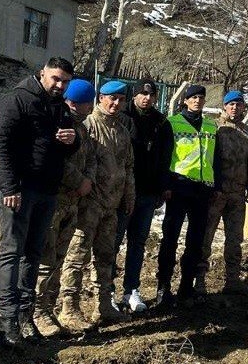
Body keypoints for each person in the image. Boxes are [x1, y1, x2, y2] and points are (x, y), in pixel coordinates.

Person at [0, 57, 78, 346]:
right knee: (11, 253)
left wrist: (71, 140)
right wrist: (9, 186)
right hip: (20, 191)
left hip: (47, 192)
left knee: (33, 254)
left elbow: (70, 147)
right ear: (42, 74)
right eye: (55, 78)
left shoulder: (60, 107)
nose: (60, 85)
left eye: (65, 81)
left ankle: (26, 316)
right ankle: (7, 320)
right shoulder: (17, 100)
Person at [58, 80, 135, 330]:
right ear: (100, 99)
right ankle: (69, 307)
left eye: (121, 99)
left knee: (106, 257)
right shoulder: (89, 126)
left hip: (111, 206)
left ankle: (103, 304)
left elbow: (128, 167)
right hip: (88, 205)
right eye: (110, 98)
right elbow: (81, 162)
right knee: (77, 256)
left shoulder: (122, 131)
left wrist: (129, 196)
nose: (115, 103)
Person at [34, 78, 97, 337]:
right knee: (45, 261)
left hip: (73, 204)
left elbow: (90, 158)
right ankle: (37, 312)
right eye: (87, 103)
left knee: (59, 259)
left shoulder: (82, 129)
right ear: (75, 103)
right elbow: (54, 159)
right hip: (55, 201)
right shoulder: (60, 122)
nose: (90, 107)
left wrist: (88, 180)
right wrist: (79, 180)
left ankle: (50, 310)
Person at [115, 78, 173, 312]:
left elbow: (166, 157)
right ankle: (107, 291)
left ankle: (131, 289)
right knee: (114, 242)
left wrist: (163, 187)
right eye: (142, 94)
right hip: (122, 192)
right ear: (134, 95)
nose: (146, 98)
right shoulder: (122, 117)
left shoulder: (161, 122)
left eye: (151, 94)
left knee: (137, 243)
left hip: (148, 192)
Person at [156, 84, 217, 307]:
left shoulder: (210, 126)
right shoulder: (172, 124)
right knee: (170, 239)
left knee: (195, 241)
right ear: (185, 101)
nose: (198, 101)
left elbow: (214, 158)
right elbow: (163, 157)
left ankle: (186, 287)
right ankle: (163, 287)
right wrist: (165, 185)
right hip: (179, 187)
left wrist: (215, 186)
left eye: (201, 98)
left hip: (202, 190)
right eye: (193, 98)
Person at [196, 90, 248, 296]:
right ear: (224, 106)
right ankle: (200, 281)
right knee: (206, 237)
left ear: (243, 107)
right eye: (230, 104)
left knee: (234, 239)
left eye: (238, 104)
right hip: (217, 193)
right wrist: (210, 187)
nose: (234, 108)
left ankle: (232, 280)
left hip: (237, 194)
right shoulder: (214, 128)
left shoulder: (247, 132)